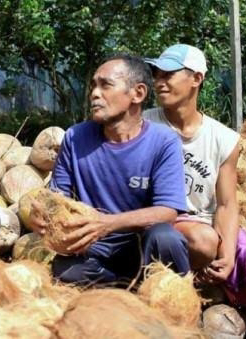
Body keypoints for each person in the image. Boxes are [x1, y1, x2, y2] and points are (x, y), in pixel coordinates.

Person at [144, 44, 246, 339]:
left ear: (196, 78)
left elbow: (226, 204)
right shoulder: (144, 124)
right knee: (203, 241)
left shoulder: (223, 138)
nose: (159, 81)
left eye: (169, 74)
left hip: (207, 223)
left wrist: (229, 254)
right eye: (156, 74)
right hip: (163, 223)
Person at [29, 54, 191, 286]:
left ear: (138, 93)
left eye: (105, 85)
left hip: (140, 247)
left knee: (166, 239)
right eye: (93, 86)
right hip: (93, 250)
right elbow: (57, 197)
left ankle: (167, 299)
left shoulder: (163, 141)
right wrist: (42, 213)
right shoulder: (75, 137)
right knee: (66, 272)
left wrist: (106, 223)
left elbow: (167, 211)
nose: (95, 93)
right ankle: (123, 291)